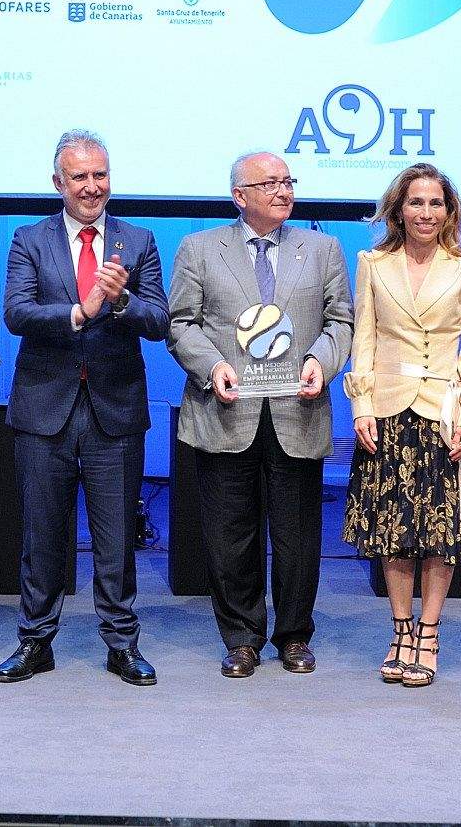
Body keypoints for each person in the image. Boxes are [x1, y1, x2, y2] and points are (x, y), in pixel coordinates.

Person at [167, 151, 352, 678]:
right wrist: (213, 367)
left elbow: (341, 320)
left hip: (298, 408)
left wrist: (321, 361)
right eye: (269, 183)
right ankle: (242, 637)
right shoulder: (200, 248)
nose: (283, 190)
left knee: (297, 535)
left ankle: (294, 635)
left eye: (287, 180)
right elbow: (181, 323)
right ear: (239, 196)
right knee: (230, 535)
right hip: (226, 410)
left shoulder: (322, 248)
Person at [0, 130, 169, 686]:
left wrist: (121, 302)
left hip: (114, 410)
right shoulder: (29, 239)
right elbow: (17, 313)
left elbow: (159, 320)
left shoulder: (138, 240)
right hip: (44, 407)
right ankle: (35, 641)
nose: (92, 186)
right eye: (80, 177)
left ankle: (122, 644)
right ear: (58, 183)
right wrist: (80, 310)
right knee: (42, 534)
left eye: (100, 175)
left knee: (116, 537)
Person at [341, 163, 461, 688]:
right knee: (394, 532)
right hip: (386, 411)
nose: (425, 213)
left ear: (449, 212)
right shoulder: (373, 264)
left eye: (435, 203)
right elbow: (363, 339)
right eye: (415, 202)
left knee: (440, 533)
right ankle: (400, 629)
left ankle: (429, 633)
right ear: (398, 210)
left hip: (443, 414)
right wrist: (361, 407)